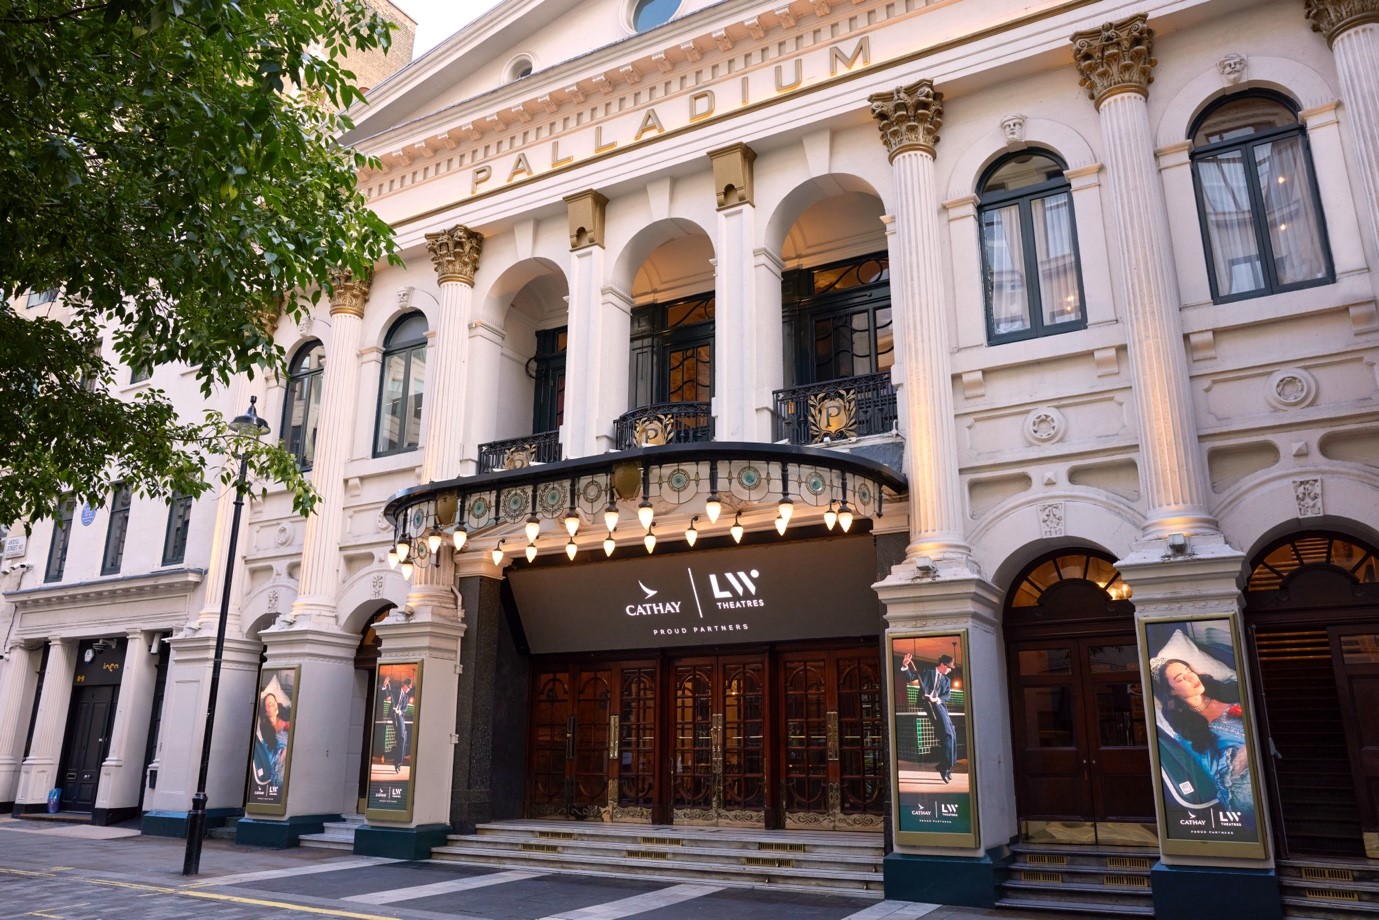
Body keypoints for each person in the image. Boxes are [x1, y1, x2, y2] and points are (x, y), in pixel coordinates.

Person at [1151, 657, 1252, 812]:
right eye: (1181, 678)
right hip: (1247, 778)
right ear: (1171, 691)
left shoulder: (1227, 690)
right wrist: (1248, 749)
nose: (1192, 677)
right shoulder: (1187, 731)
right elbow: (1220, 777)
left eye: (1189, 671)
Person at [902, 651, 956, 783]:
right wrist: (905, 666)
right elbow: (910, 677)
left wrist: (936, 699)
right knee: (947, 734)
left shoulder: (946, 680)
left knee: (952, 734)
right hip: (928, 704)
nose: (950, 670)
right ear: (942, 665)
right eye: (949, 667)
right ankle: (945, 767)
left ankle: (947, 766)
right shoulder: (927, 671)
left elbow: (947, 695)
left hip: (939, 705)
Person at [252, 691, 290, 789]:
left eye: (274, 702)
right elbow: (274, 765)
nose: (274, 705)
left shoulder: (287, 720)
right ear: (265, 712)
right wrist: (286, 751)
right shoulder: (267, 735)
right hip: (281, 770)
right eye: (269, 704)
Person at [391, 676, 414, 773]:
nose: (409, 690)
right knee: (401, 737)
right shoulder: (395, 691)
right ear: (404, 685)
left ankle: (398, 761)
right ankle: (398, 762)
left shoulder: (406, 697)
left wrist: (399, 711)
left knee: (404, 738)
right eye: (408, 687)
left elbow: (405, 709)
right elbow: (389, 696)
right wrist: (394, 709)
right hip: (394, 714)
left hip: (400, 715)